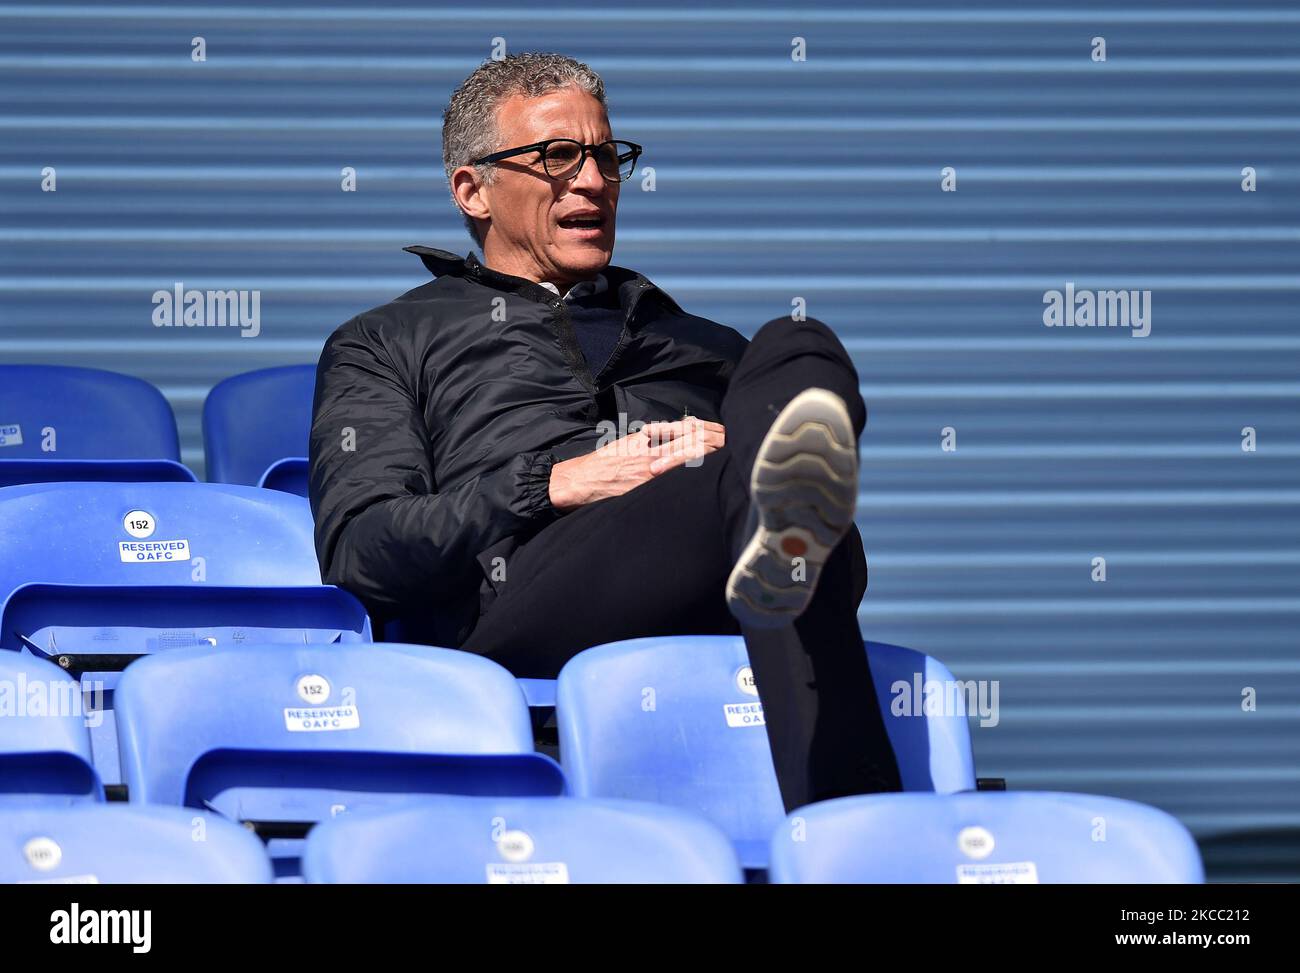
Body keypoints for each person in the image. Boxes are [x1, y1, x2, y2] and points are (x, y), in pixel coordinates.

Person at [309, 52, 902, 811]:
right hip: (524, 600)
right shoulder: (385, 341)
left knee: (797, 344)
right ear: (472, 189)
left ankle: (772, 517)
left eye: (605, 156)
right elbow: (361, 549)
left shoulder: (699, 341)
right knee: (737, 498)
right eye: (558, 157)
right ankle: (857, 820)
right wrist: (555, 483)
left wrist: (741, 461)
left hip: (716, 561)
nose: (593, 180)